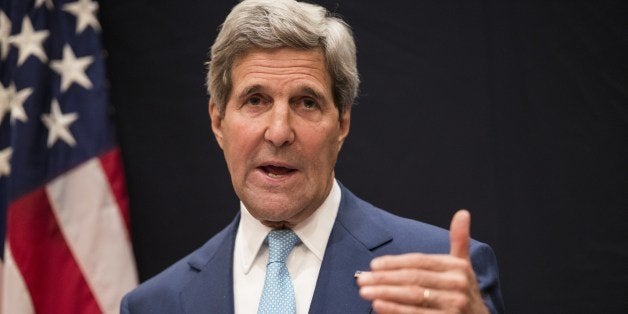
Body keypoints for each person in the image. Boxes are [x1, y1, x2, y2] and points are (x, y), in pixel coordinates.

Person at [121, 0, 504, 313]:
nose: (279, 132)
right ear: (218, 121)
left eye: (306, 102)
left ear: (342, 124)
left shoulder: (442, 274)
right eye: (255, 100)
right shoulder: (156, 304)